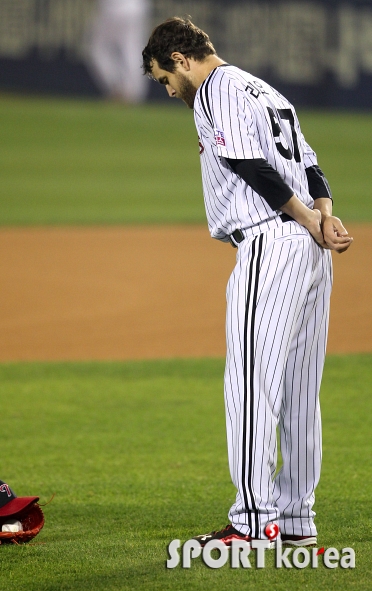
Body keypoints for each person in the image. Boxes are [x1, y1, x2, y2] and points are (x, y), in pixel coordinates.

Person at [142, 17, 353, 547]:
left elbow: (245, 162)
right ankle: (297, 522)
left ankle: (255, 522)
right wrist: (324, 218)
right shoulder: (265, 91)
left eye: (165, 78)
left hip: (273, 243)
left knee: (252, 385)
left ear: (182, 59)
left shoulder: (214, 90)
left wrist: (306, 220)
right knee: (301, 393)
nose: (169, 90)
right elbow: (313, 168)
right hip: (310, 253)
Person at [88, 0, 150, 103]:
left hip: (114, 8)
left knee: (98, 49)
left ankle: (119, 89)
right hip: (137, 7)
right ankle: (133, 92)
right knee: (132, 49)